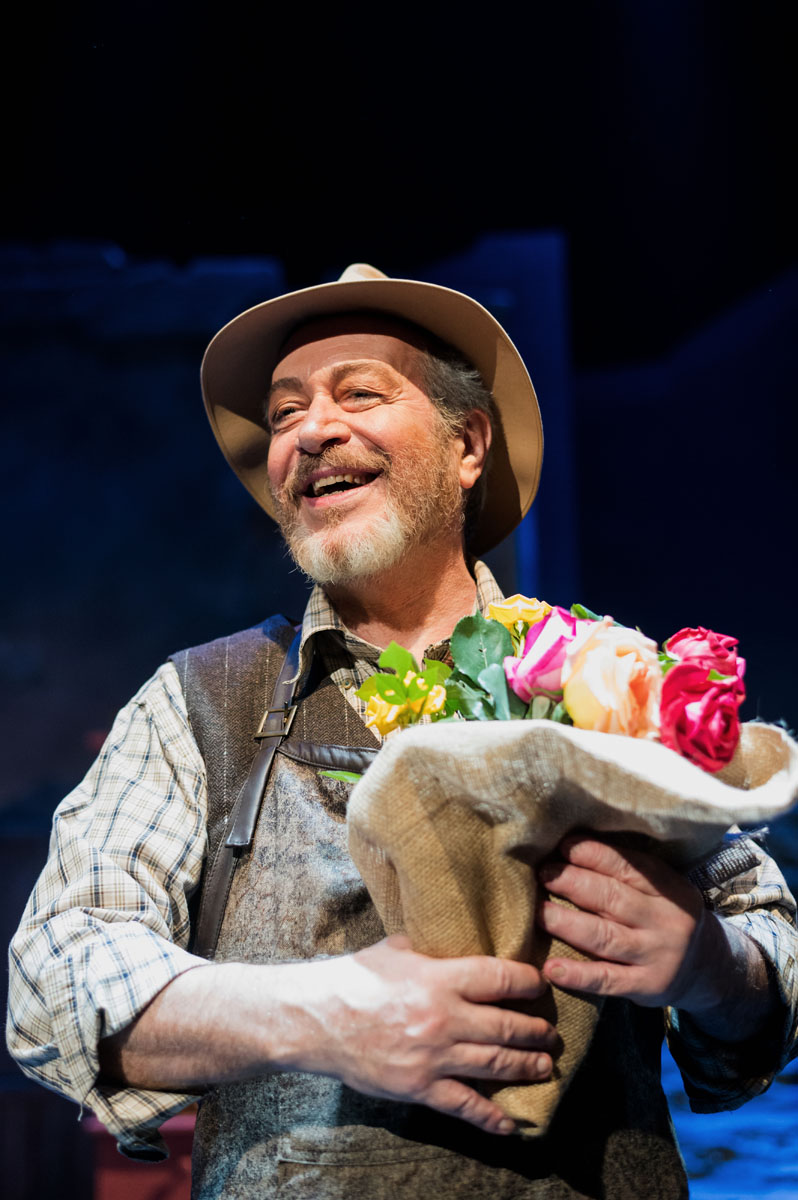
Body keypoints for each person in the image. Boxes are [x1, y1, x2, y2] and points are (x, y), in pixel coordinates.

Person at [8, 263, 797, 1199]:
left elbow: (770, 951)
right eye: (286, 411)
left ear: (468, 444)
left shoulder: (606, 680)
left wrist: (707, 964)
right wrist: (325, 1015)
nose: (311, 431)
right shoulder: (200, 701)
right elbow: (53, 977)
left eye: (360, 393)